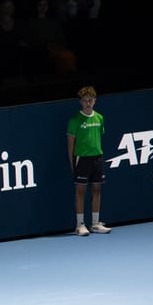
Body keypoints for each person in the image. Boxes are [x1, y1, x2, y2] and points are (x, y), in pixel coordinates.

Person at [66, 85, 112, 236]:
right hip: (81, 159)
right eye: (85, 100)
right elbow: (70, 145)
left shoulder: (100, 118)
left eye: (90, 100)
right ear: (80, 101)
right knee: (80, 191)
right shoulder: (74, 120)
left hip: (97, 158)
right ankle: (79, 225)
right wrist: (72, 163)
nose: (88, 103)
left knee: (97, 189)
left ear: (95, 101)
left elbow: (98, 136)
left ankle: (95, 224)